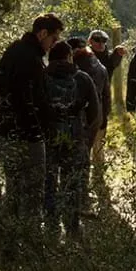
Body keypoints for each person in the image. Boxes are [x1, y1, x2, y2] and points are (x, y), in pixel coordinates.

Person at [0, 13, 63, 243]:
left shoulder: (13, 51)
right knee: (33, 190)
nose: (53, 44)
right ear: (42, 33)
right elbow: (32, 100)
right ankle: (31, 243)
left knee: (13, 188)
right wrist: (41, 126)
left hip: (6, 130)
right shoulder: (30, 59)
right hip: (27, 134)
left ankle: (9, 242)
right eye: (53, 39)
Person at [43, 40, 101, 239]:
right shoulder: (82, 78)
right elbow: (95, 114)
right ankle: (73, 228)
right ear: (70, 57)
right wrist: (86, 138)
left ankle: (50, 227)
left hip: (48, 139)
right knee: (72, 183)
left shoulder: (41, 77)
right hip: (75, 137)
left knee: (48, 182)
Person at [73, 31, 113, 200]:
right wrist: (104, 116)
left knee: (85, 155)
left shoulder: (78, 68)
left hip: (84, 119)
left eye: (103, 41)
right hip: (96, 117)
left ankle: (84, 190)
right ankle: (87, 189)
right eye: (97, 40)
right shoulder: (97, 66)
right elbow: (106, 95)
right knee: (90, 153)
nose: (100, 43)